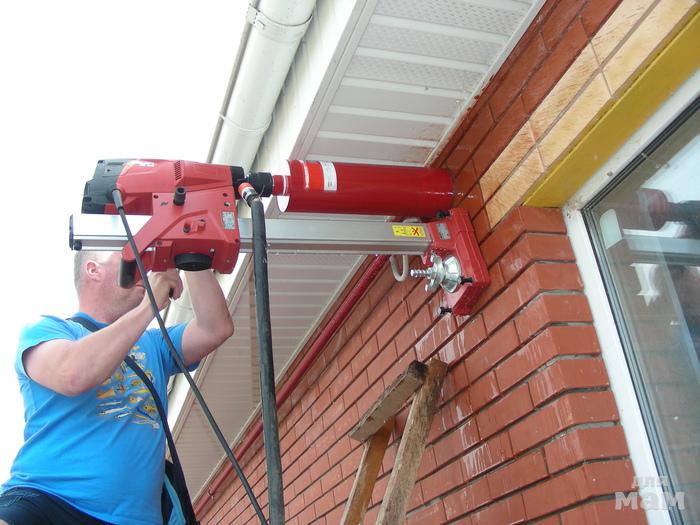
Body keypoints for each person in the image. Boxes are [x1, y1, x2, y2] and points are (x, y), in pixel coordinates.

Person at [0, 250, 234, 525]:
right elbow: (72, 374)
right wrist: (149, 306)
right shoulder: (49, 330)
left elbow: (214, 328)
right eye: (132, 261)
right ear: (93, 269)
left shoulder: (154, 344)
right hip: (50, 502)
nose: (145, 271)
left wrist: (191, 256)